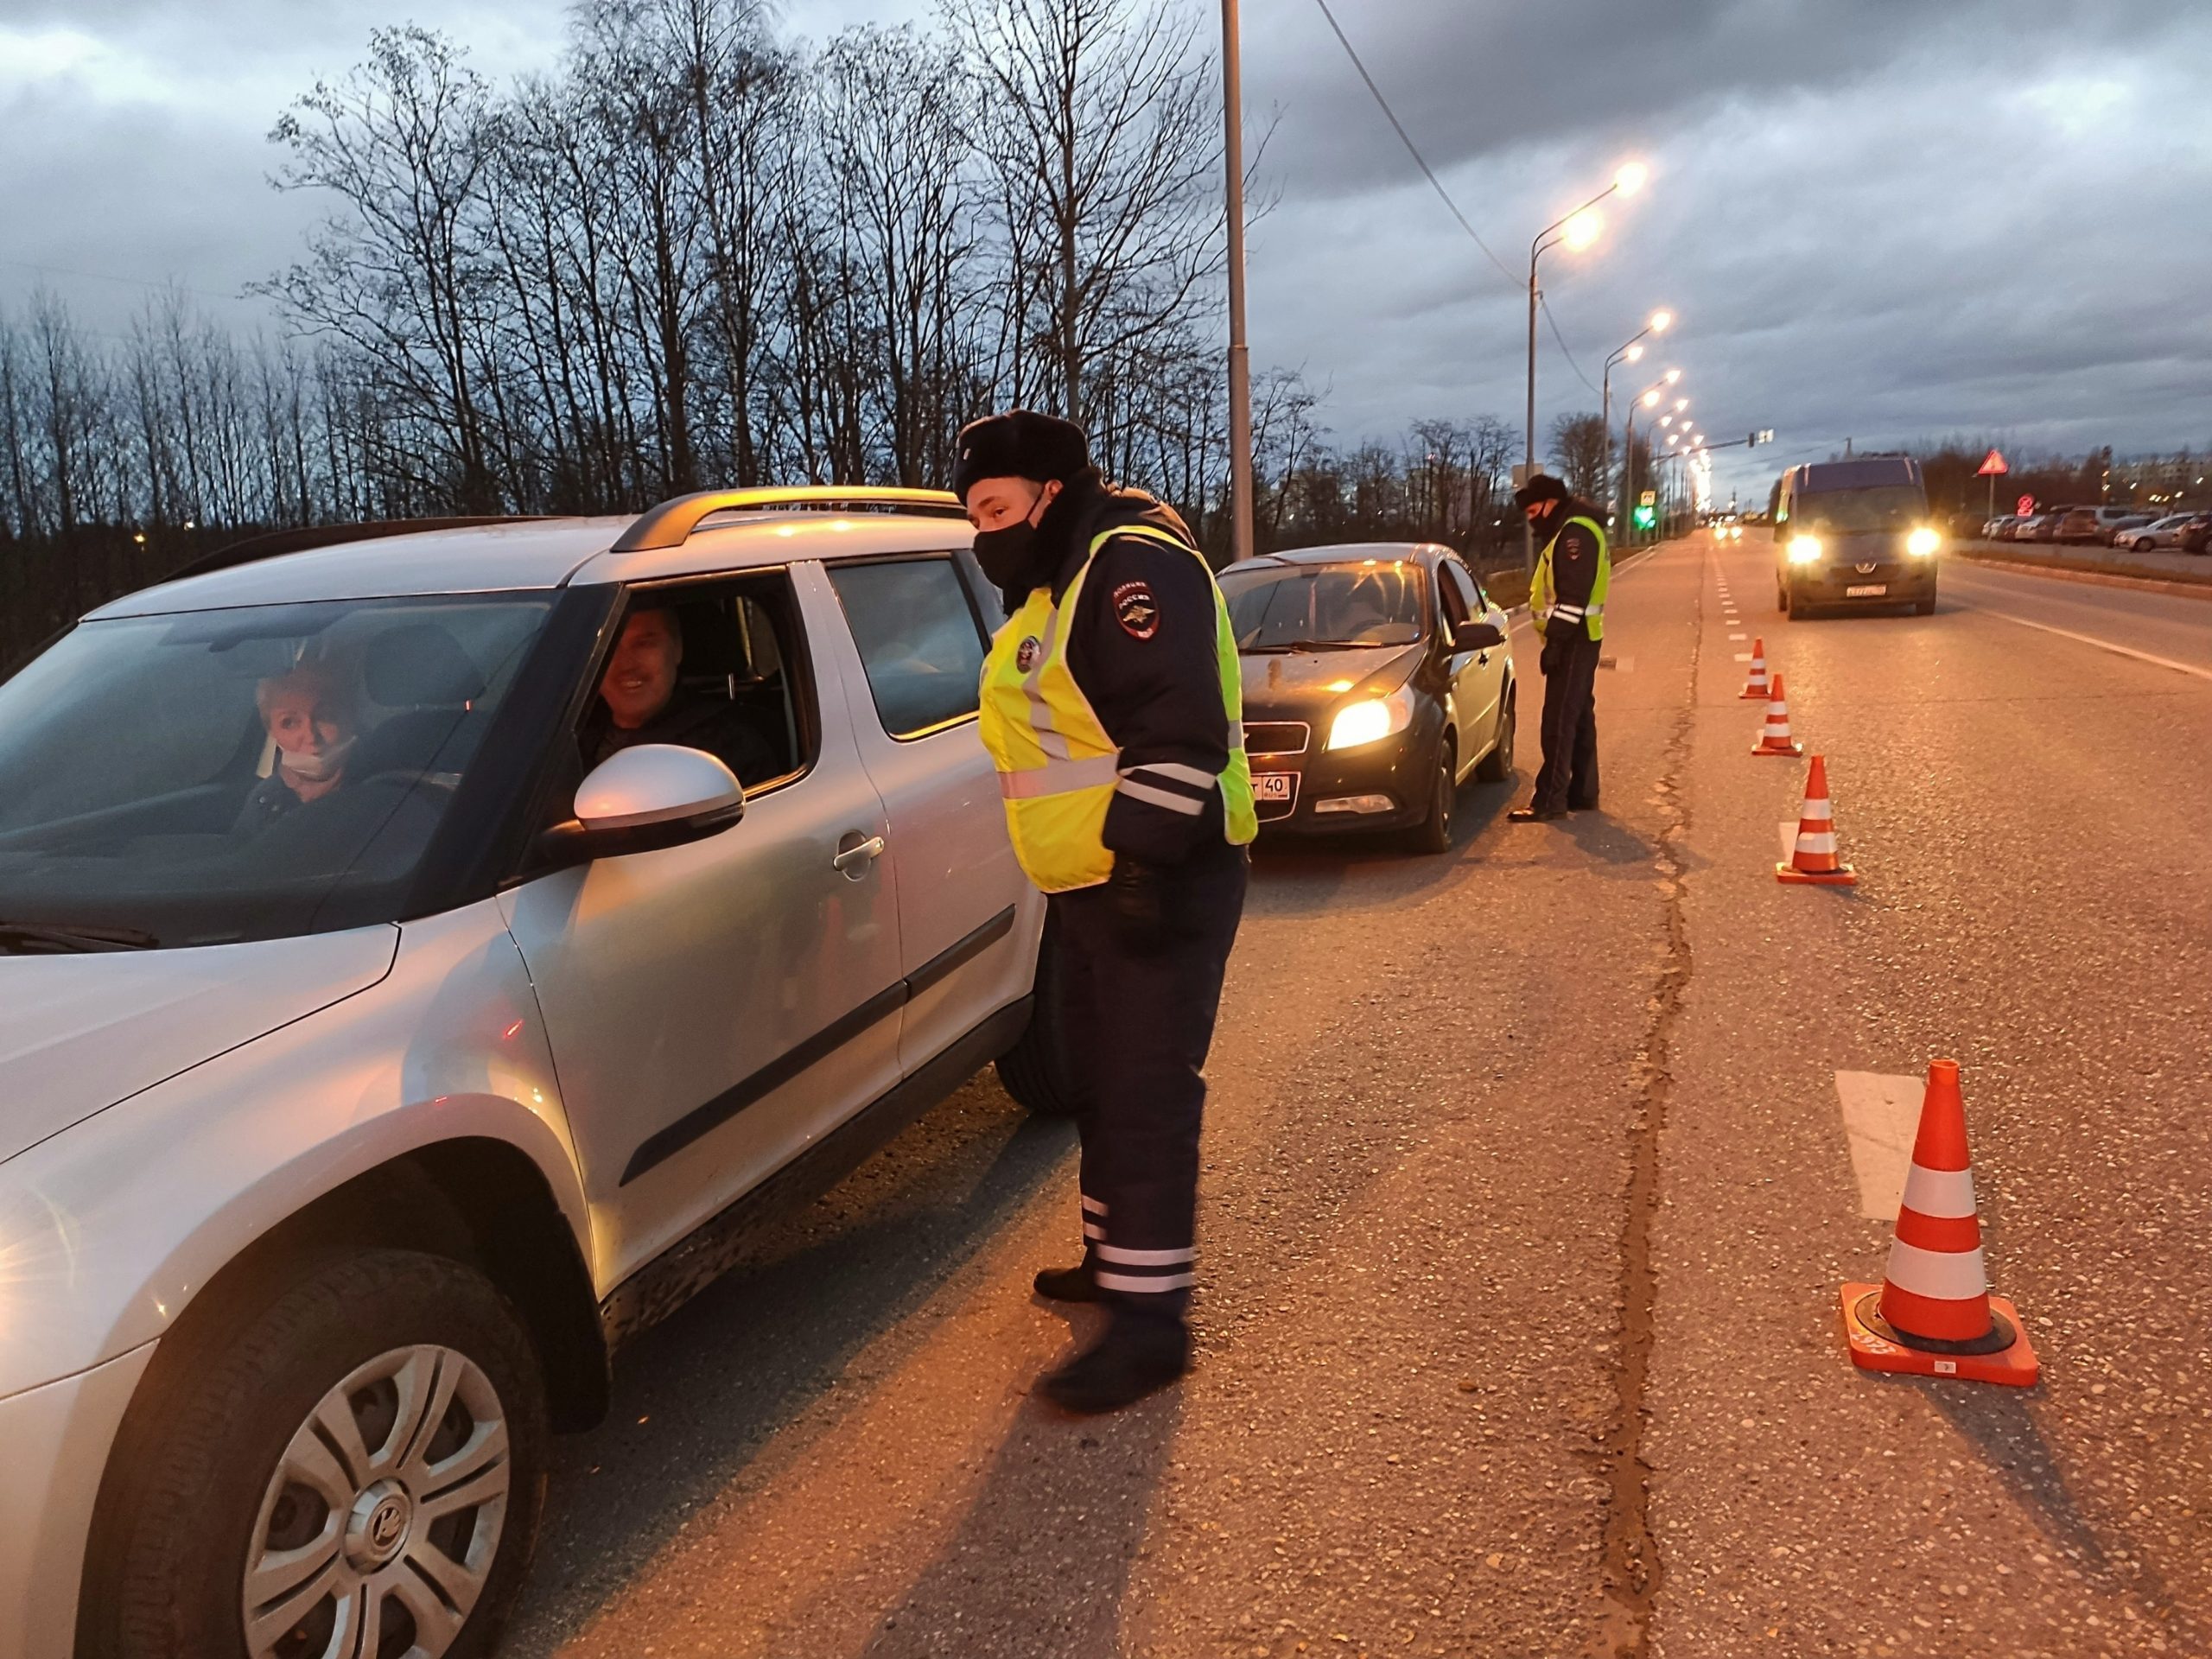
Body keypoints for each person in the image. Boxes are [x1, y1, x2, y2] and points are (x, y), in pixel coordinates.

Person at [957, 409, 1255, 1414]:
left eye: (995, 509)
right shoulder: (1056, 577)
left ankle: (1149, 1324)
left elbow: (1179, 731)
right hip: (1092, 884)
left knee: (1143, 1089)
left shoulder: (1128, 565)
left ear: (1051, 492)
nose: (982, 533)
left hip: (1165, 870)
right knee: (1094, 1079)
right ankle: (1111, 1254)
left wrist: (1139, 869)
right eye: (972, 516)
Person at [1508, 472, 1610, 823]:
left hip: (1573, 640)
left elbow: (1573, 597)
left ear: (1552, 504)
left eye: (1535, 512)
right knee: (1578, 717)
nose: (1533, 521)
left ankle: (1550, 800)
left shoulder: (1574, 534)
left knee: (1558, 721)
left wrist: (1556, 643)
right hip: (1579, 637)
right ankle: (1583, 792)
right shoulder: (1570, 530)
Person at [584, 601, 775, 785]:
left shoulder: (729, 748)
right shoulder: (571, 733)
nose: (626, 664)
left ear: (677, 648)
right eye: (609, 646)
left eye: (644, 644)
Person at [236, 662, 359, 831]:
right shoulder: (267, 798)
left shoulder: (383, 787)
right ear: (272, 732)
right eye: (289, 723)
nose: (310, 736)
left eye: (325, 716)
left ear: (349, 717)